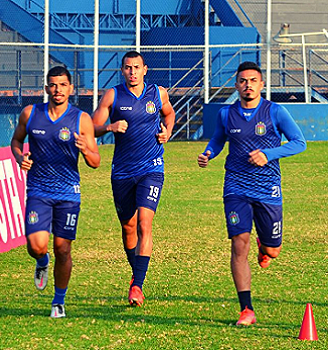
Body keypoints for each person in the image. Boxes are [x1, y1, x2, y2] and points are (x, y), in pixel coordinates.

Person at [197, 61, 307, 326]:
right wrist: (209, 153)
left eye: (253, 81)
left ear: (262, 84)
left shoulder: (275, 112)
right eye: (243, 81)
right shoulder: (226, 114)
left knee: (274, 249)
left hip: (268, 188)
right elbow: (218, 138)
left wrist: (268, 155)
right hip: (235, 186)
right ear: (236, 85)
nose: (248, 85)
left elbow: (299, 143)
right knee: (238, 244)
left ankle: (265, 246)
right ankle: (246, 309)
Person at [10, 66, 101, 318]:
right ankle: (42, 262)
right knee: (37, 246)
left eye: (62, 84)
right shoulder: (31, 113)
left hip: (69, 193)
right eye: (52, 84)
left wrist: (85, 149)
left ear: (71, 88)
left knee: (63, 249)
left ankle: (58, 302)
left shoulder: (81, 119)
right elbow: (16, 141)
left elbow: (96, 161)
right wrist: (20, 157)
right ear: (46, 87)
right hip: (38, 190)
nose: (57, 89)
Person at [92, 51, 175, 307]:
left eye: (136, 67)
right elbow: (92, 128)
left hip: (151, 168)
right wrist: (110, 127)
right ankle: (136, 274)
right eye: (128, 68)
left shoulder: (157, 93)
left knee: (144, 224)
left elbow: (169, 114)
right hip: (122, 172)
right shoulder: (113, 95)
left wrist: (167, 132)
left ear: (145, 69)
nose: (132, 72)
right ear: (122, 70)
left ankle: (137, 285)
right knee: (128, 228)